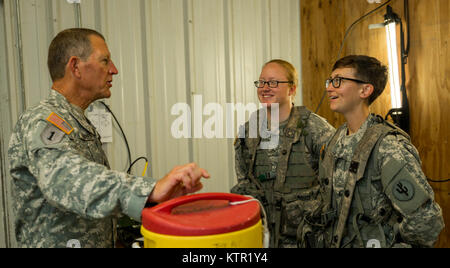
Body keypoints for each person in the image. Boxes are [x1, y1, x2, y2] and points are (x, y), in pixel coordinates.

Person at [8, 28, 210, 248]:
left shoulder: (77, 123)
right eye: (105, 61)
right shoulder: (43, 120)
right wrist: (149, 190)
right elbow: (66, 179)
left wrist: (154, 201)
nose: (114, 70)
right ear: (75, 67)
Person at [298, 55, 444, 248]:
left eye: (338, 81)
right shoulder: (335, 140)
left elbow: (426, 222)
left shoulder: (388, 147)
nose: (329, 87)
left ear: (365, 90)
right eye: (330, 81)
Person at [231, 59, 335, 247]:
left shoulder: (315, 129)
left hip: (304, 240)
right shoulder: (249, 132)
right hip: (263, 239)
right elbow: (244, 183)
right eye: (261, 82)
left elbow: (337, 186)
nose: (265, 88)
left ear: (292, 89)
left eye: (273, 82)